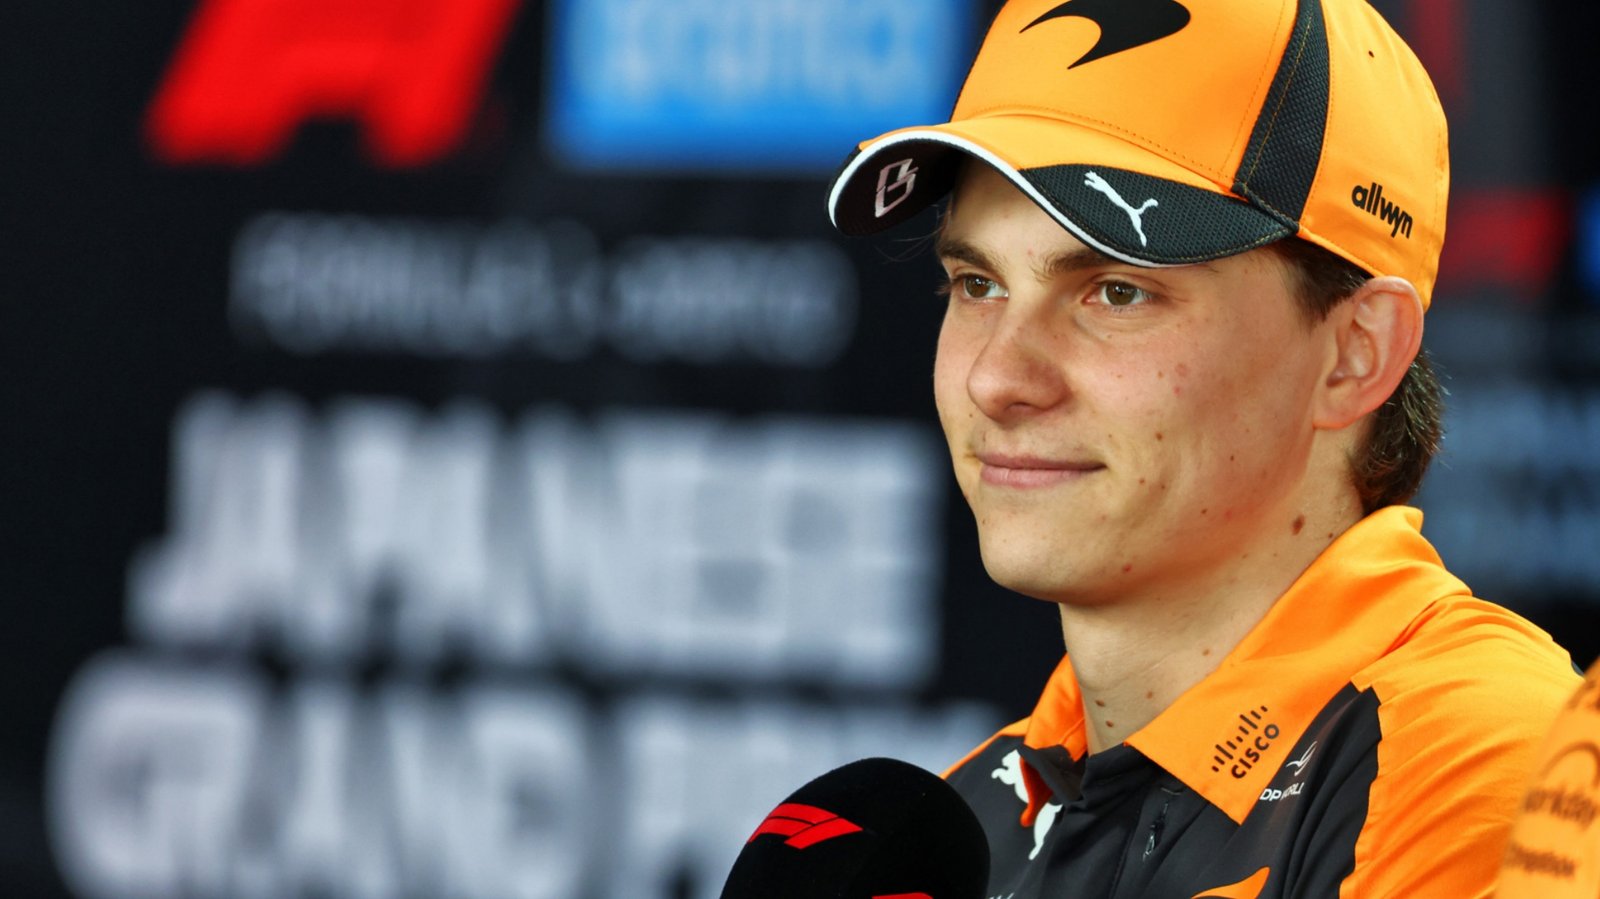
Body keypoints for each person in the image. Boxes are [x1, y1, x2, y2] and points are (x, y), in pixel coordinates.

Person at [824, 1, 1580, 896]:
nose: (998, 378)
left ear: (1355, 352)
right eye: (977, 282)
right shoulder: (974, 823)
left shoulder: (1487, 766)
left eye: (1115, 292)